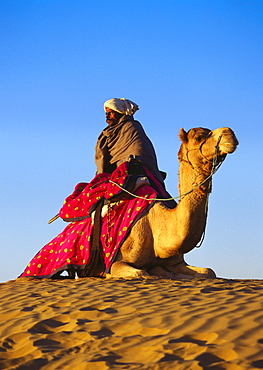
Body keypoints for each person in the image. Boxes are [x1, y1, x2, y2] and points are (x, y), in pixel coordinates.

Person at [95, 98, 165, 186]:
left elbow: (138, 152)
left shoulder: (131, 127)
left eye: (111, 113)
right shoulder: (106, 134)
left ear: (120, 113)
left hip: (131, 170)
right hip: (111, 174)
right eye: (106, 113)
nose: (107, 116)